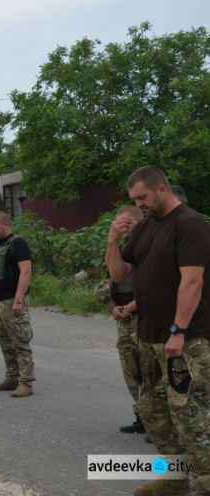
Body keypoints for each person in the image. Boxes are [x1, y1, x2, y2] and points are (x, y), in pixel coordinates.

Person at [107, 166, 210, 496]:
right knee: (155, 412)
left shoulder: (190, 224)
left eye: (143, 197)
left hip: (186, 338)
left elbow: (192, 282)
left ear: (162, 190)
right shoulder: (145, 227)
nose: (139, 204)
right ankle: (176, 476)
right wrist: (113, 240)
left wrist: (178, 330)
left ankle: (205, 482)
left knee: (190, 414)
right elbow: (120, 274)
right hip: (148, 337)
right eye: (134, 199)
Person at [96, 206, 144, 434]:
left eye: (123, 223)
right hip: (124, 320)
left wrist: (128, 307)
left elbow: (154, 289)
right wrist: (114, 308)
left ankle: (158, 422)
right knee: (131, 372)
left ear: (136, 221)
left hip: (144, 320)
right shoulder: (122, 250)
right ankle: (142, 419)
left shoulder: (148, 249)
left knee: (150, 374)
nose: (119, 228)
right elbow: (108, 284)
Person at [0, 211, 36, 398]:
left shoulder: (18, 243)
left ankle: (26, 382)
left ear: (6, 224)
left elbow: (26, 272)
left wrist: (18, 300)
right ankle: (12, 377)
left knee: (20, 342)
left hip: (12, 300)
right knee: (5, 342)